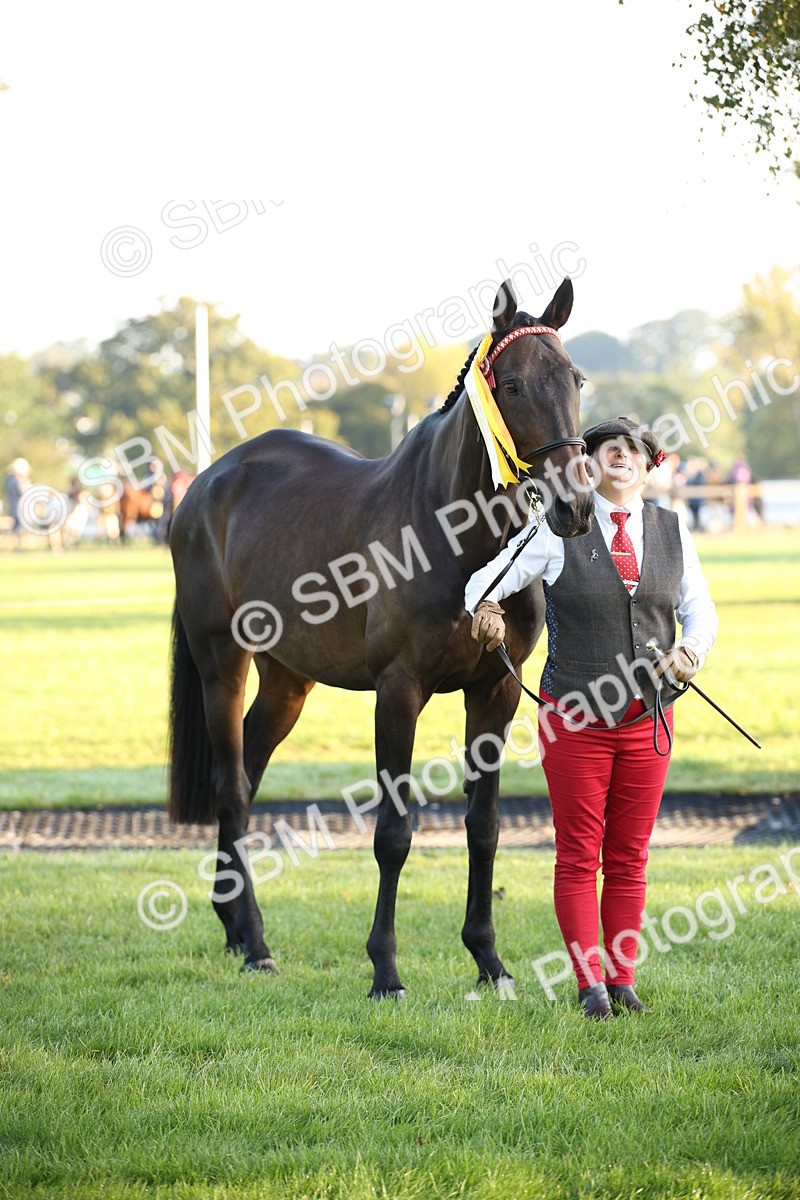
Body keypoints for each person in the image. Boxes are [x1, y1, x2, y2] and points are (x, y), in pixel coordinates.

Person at [465, 417, 718, 1019]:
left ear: (649, 465)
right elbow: (483, 581)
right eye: (609, 449)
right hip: (573, 720)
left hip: (649, 718)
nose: (621, 456)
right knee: (580, 855)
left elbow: (700, 610)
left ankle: (622, 978)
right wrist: (486, 608)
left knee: (631, 855)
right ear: (590, 464)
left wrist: (691, 651)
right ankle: (590, 986)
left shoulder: (673, 530)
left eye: (633, 449)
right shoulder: (555, 529)